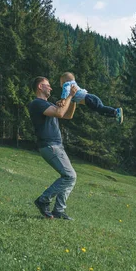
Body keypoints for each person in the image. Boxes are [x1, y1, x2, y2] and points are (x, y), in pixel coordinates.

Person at [29, 76, 78, 220]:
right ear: (40, 87)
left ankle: (58, 211)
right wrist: (69, 95)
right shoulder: (37, 103)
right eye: (47, 85)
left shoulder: (47, 104)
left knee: (70, 177)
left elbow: (67, 115)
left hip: (57, 145)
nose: (50, 87)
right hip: (50, 145)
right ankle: (43, 199)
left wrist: (73, 100)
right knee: (70, 176)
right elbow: (59, 113)